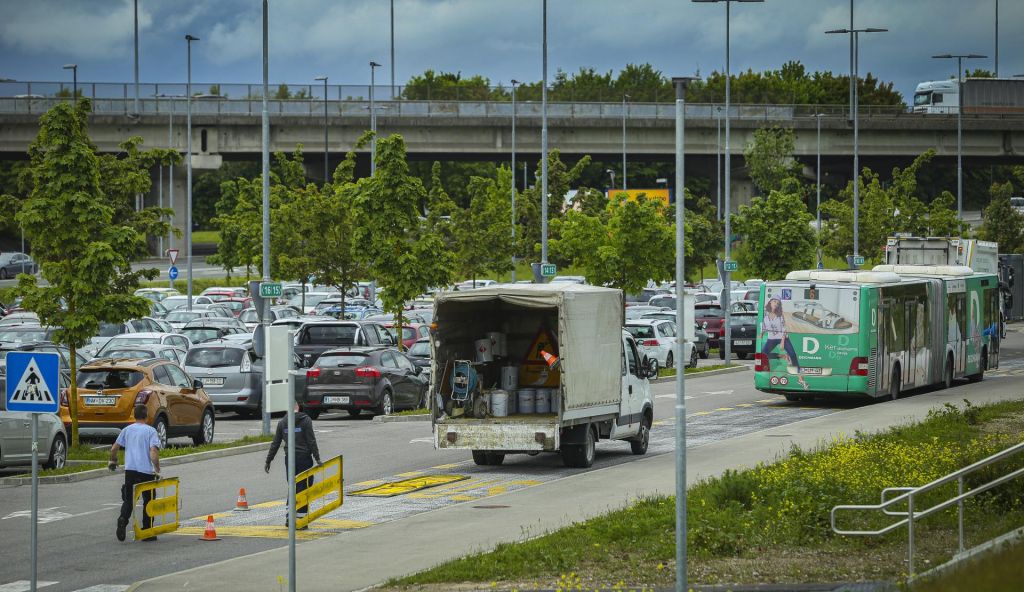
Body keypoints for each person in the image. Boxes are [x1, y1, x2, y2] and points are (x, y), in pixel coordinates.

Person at [109, 404, 161, 542]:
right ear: (146, 416)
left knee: (129, 500)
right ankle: (147, 531)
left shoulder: (127, 430)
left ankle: (122, 519)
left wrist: (113, 461)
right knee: (149, 501)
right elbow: (153, 452)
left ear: (134, 415)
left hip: (130, 471)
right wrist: (157, 469)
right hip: (146, 472)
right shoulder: (151, 431)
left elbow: (114, 448)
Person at [265, 404, 321, 527]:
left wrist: (268, 460)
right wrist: (317, 458)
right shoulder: (306, 420)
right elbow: (311, 441)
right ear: (299, 407)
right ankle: (301, 520)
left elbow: (275, 443)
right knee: (304, 489)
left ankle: (289, 518)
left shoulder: (282, 422)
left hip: (289, 460)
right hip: (304, 459)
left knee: (292, 487)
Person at [761, 298, 808, 391]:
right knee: (763, 355)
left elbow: (785, 328)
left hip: (783, 337)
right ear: (770, 302)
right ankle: (781, 356)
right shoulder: (765, 316)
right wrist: (760, 336)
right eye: (774, 301)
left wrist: (782, 341)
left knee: (793, 355)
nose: (776, 304)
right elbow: (763, 329)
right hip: (772, 339)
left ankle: (800, 379)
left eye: (777, 303)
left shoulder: (780, 315)